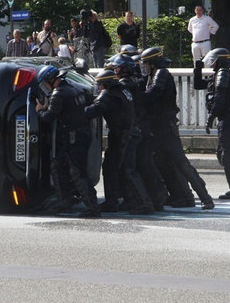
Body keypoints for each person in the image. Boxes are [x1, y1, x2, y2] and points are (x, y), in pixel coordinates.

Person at [141, 47, 214, 210]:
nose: (143, 66)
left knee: (181, 163)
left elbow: (154, 94)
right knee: (159, 163)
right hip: (158, 127)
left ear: (153, 63)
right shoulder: (152, 75)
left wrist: (137, 97)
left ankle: (205, 198)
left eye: (145, 63)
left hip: (165, 129)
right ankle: (173, 196)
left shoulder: (161, 74)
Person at [84, 69, 154, 215]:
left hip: (123, 136)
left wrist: (75, 108)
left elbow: (92, 111)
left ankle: (143, 203)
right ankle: (115, 202)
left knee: (127, 170)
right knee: (112, 168)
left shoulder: (108, 95)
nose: (99, 88)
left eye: (100, 85)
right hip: (126, 134)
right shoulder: (122, 91)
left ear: (106, 84)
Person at [34, 65, 100, 218]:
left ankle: (92, 207)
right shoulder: (74, 87)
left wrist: (39, 110)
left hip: (73, 136)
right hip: (80, 134)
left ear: (51, 80)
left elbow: (49, 117)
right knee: (58, 166)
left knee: (78, 172)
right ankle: (65, 200)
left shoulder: (58, 94)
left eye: (45, 83)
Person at [194, 48, 230, 200]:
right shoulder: (218, 74)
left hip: (228, 119)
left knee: (226, 155)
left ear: (220, 60)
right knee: (222, 154)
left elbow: (220, 99)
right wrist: (197, 69)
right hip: (225, 119)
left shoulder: (223, 74)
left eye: (213, 60)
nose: (211, 63)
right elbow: (199, 85)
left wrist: (210, 118)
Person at [115, 54, 167, 211]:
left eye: (117, 67)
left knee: (132, 168)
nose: (114, 70)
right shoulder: (135, 83)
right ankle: (151, 199)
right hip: (140, 128)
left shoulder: (126, 85)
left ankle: (145, 202)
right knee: (142, 166)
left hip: (136, 129)